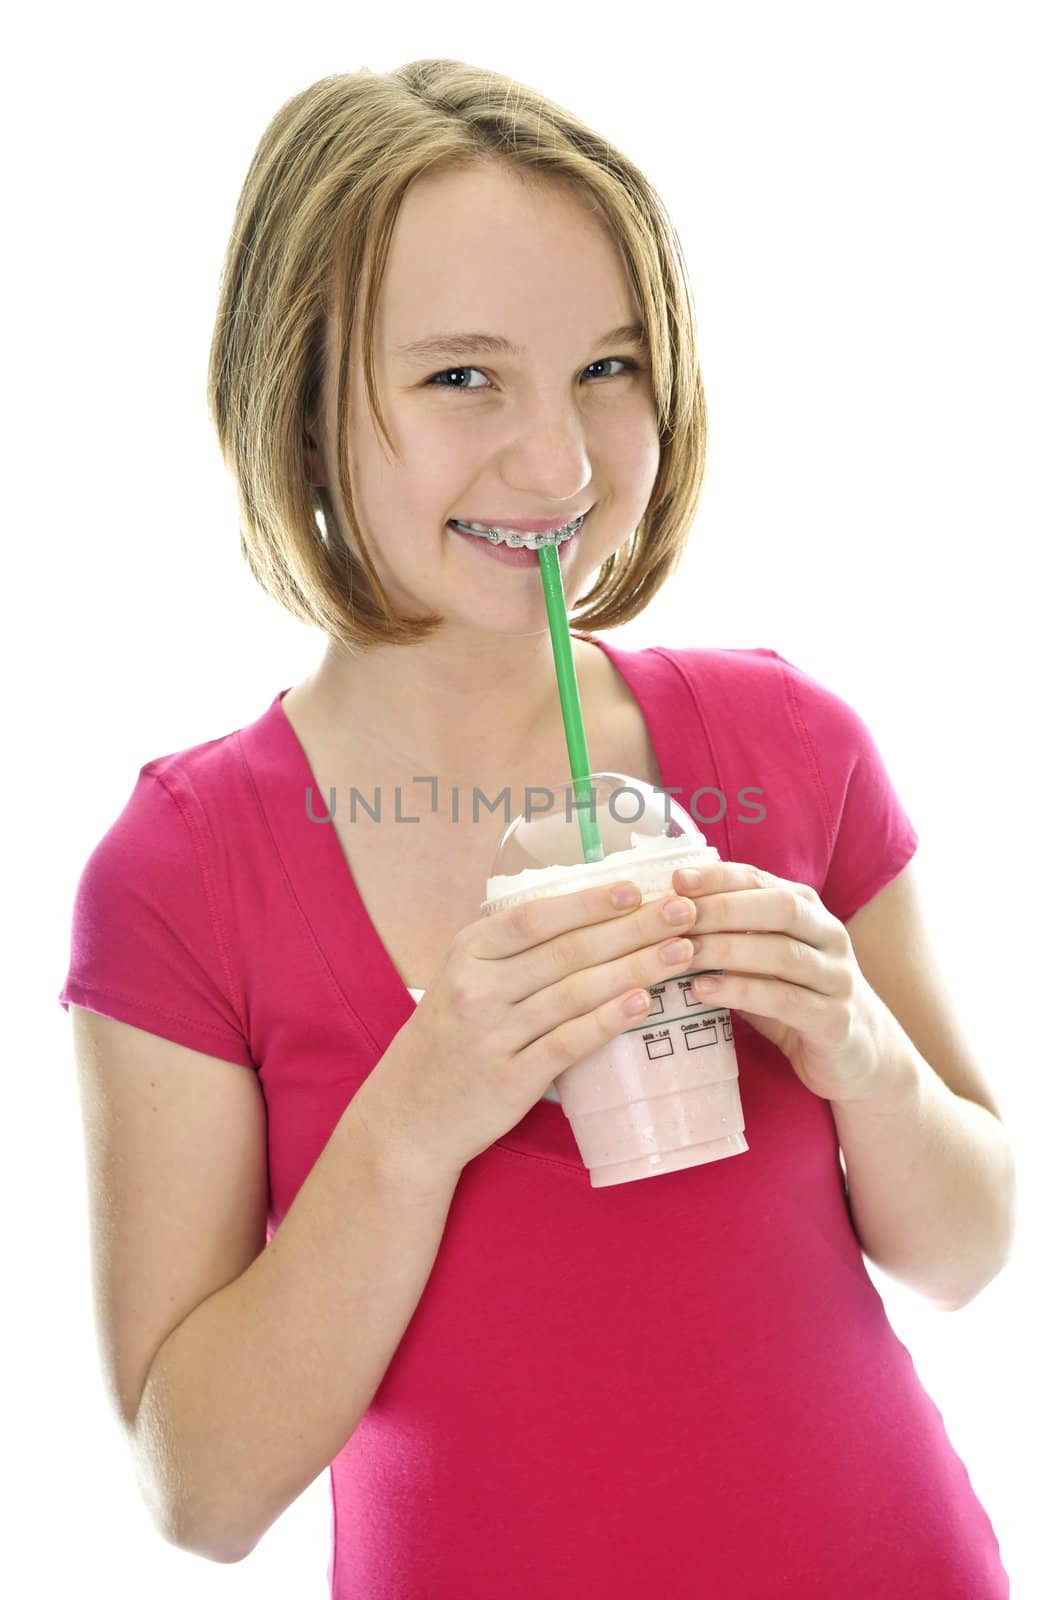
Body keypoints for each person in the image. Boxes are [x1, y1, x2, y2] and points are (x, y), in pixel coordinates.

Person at [59, 61, 1015, 1596]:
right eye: (461, 377)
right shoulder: (184, 870)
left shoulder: (792, 749)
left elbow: (969, 1250)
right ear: (300, 413)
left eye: (609, 368)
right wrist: (425, 1105)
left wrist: (857, 1048)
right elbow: (205, 1493)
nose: (561, 466)